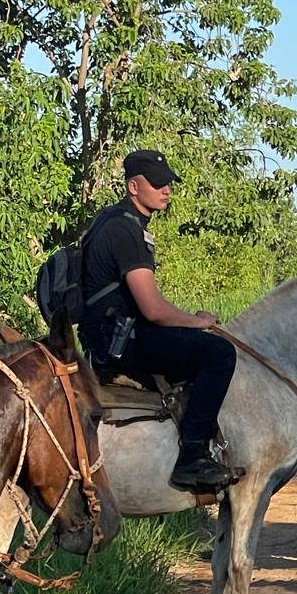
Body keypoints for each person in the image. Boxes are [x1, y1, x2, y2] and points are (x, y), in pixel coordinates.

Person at [79, 149, 239, 493]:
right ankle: (192, 458)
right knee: (219, 354)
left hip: (109, 335)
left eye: (168, 183)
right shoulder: (126, 231)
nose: (166, 190)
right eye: (157, 184)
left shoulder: (111, 219)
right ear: (133, 187)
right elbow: (152, 309)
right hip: (119, 342)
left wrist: (185, 321)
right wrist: (196, 322)